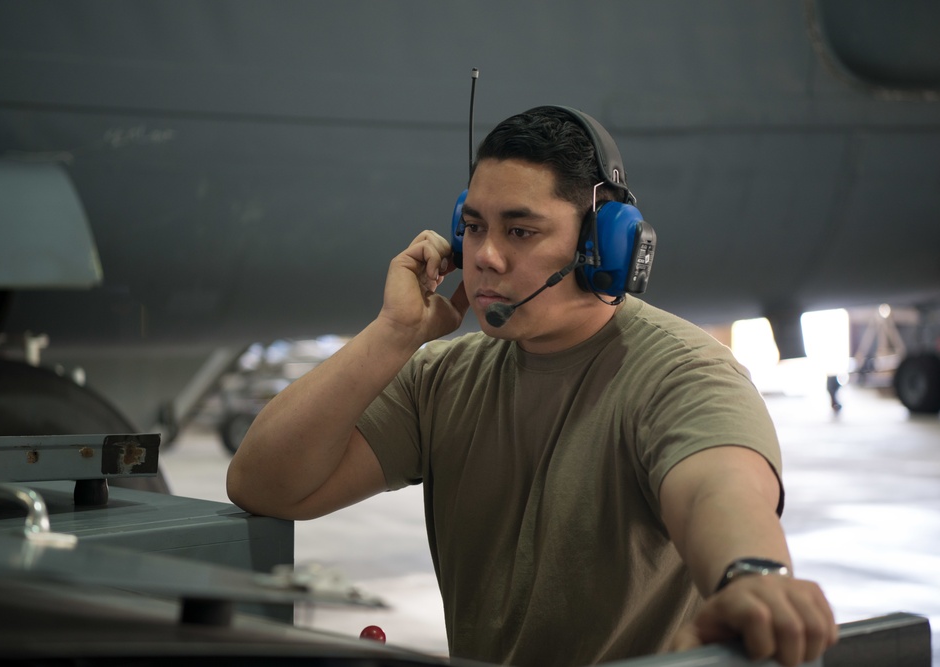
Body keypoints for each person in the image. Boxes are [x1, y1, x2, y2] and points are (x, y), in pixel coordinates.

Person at [226, 106, 837, 667]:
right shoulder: (445, 378)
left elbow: (717, 490)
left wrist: (752, 577)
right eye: (472, 227)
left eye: (520, 231)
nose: (485, 255)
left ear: (603, 244)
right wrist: (394, 334)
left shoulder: (679, 373)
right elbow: (266, 484)